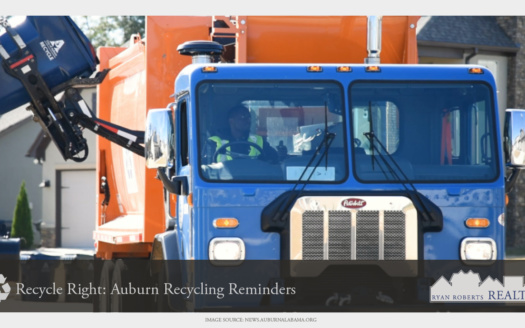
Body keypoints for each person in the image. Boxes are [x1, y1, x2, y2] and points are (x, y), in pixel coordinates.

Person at [202, 105, 278, 164]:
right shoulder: (213, 142)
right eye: (243, 117)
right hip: (223, 183)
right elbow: (207, 168)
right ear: (231, 121)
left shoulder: (258, 141)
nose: (247, 121)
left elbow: (274, 160)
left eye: (249, 118)